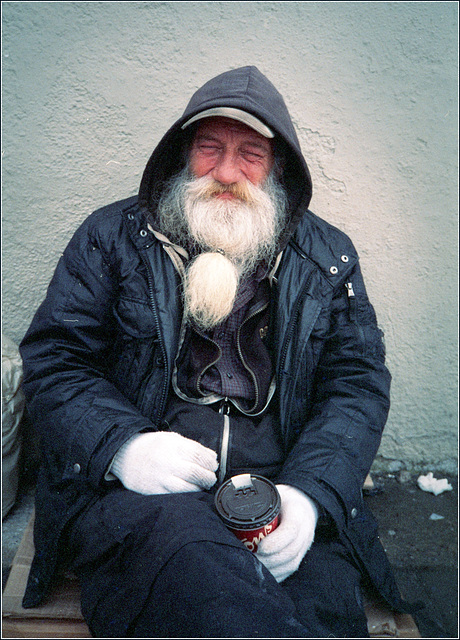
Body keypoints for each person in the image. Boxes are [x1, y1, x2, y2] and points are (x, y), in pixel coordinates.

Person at [20, 66, 408, 638]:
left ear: (279, 167)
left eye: (251, 153)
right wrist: (123, 446)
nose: (228, 173)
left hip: (279, 483)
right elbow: (55, 358)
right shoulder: (111, 237)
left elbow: (357, 384)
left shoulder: (328, 256)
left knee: (319, 603)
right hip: (145, 497)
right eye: (210, 148)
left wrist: (309, 495)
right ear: (182, 155)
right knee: (198, 581)